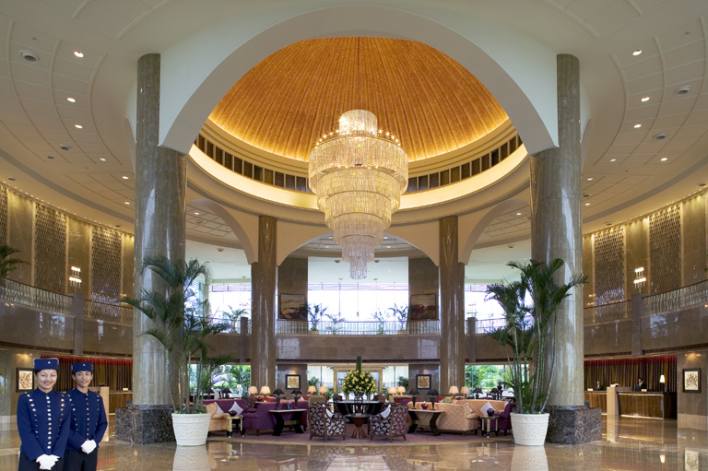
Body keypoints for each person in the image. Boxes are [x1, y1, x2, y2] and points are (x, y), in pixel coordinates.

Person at [16, 358, 70, 471]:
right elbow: (25, 430)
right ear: (36, 375)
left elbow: (65, 429)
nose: (48, 379)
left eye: (52, 375)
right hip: (31, 457)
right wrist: (40, 456)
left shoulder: (64, 398)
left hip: (55, 458)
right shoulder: (25, 399)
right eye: (43, 375)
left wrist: (56, 455)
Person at [65, 362, 108, 471]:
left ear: (91, 376)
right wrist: (81, 442)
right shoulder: (66, 398)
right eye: (79, 374)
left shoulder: (97, 398)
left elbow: (103, 423)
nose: (84, 377)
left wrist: (94, 442)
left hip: (92, 449)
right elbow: (63, 425)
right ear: (73, 377)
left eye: (87, 374)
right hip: (72, 450)